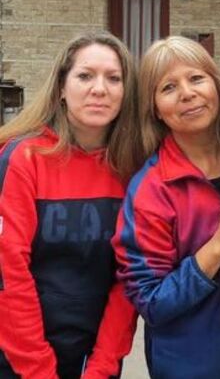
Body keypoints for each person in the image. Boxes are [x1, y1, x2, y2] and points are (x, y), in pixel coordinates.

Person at [113, 36, 220, 378]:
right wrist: (218, 245)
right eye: (168, 87)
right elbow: (153, 302)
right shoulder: (151, 189)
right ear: (154, 107)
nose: (187, 93)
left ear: (216, 84)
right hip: (193, 365)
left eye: (197, 78)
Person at [0, 32, 141, 378]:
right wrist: (37, 369)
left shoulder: (132, 167)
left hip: (93, 360)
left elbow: (129, 278)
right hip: (18, 358)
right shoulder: (22, 157)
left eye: (114, 78)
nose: (99, 88)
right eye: (85, 75)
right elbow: (8, 272)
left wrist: (103, 366)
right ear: (61, 87)